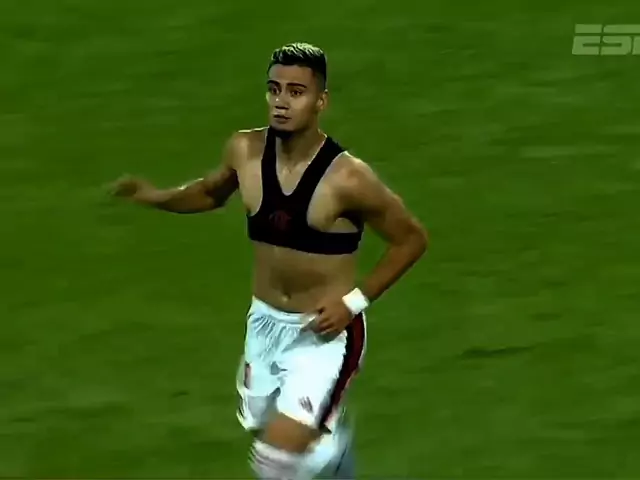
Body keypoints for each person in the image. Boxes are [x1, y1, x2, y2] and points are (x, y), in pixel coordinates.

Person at [110, 42, 428, 479]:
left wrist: (352, 303)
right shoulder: (245, 150)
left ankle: (327, 452)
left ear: (321, 101)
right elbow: (209, 193)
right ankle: (331, 454)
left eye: (296, 92)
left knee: (273, 461)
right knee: (275, 437)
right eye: (274, 89)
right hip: (263, 323)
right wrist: (153, 196)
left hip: (323, 334)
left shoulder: (348, 178)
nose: (281, 101)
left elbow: (411, 240)